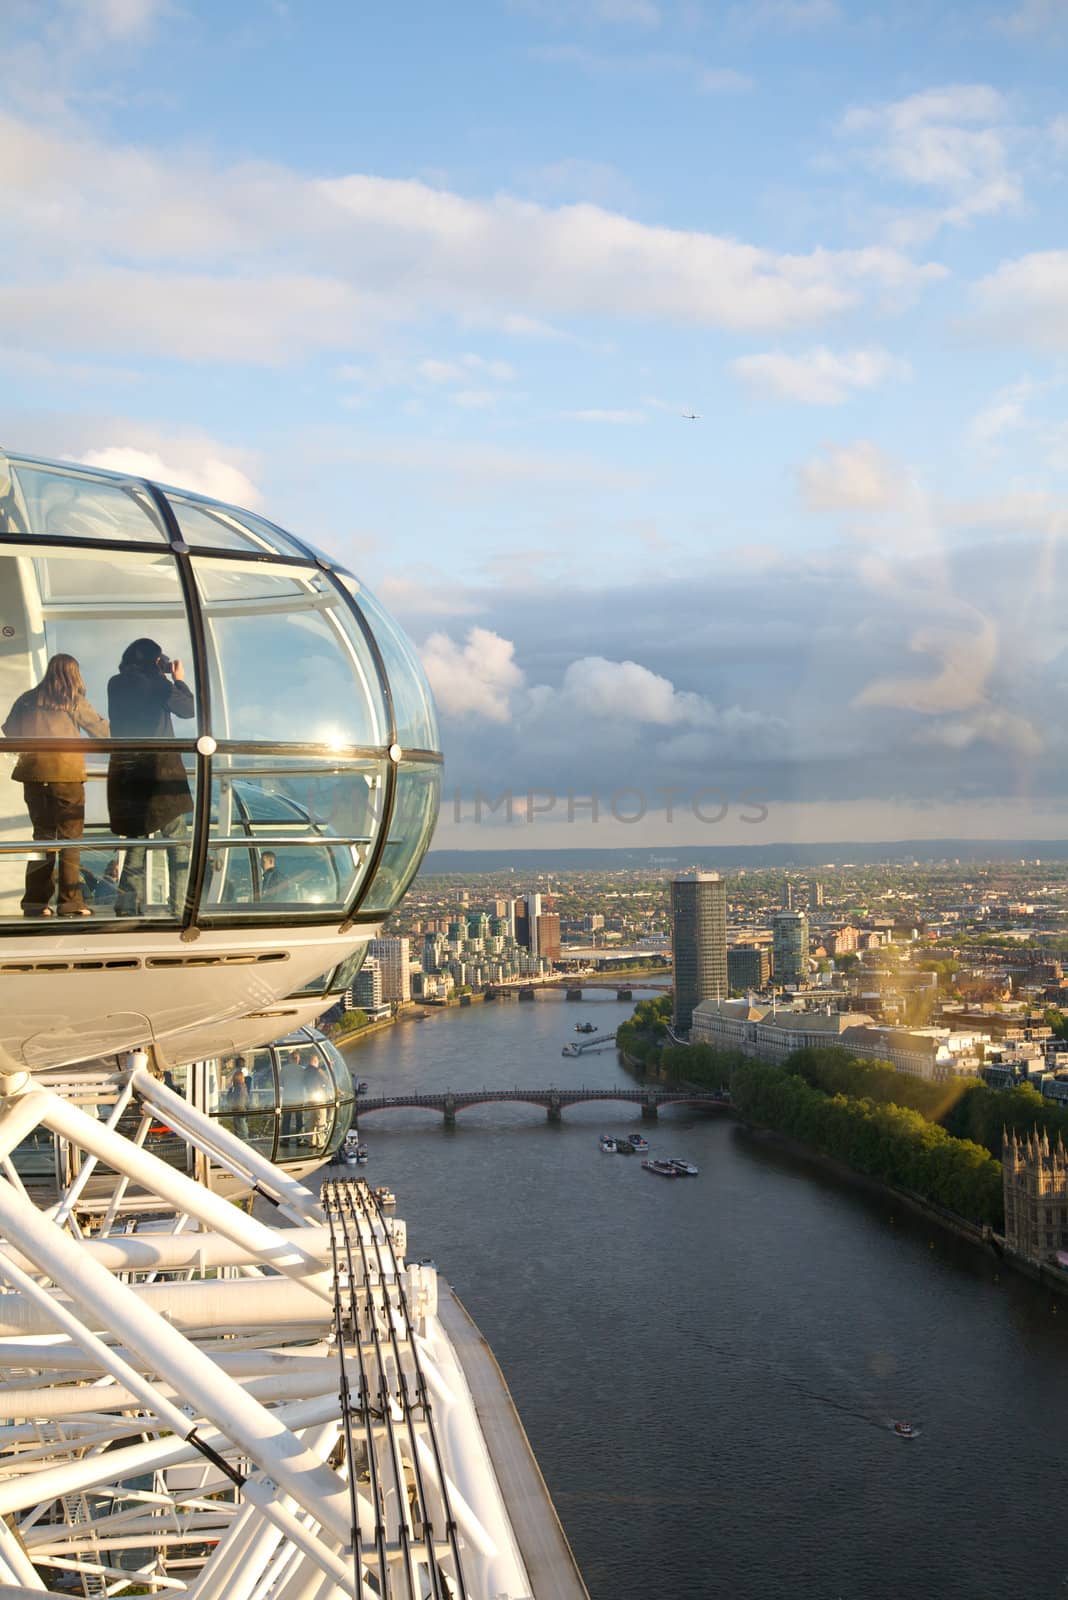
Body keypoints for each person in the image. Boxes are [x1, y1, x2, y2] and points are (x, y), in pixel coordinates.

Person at [3, 654, 109, 917]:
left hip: (34, 776)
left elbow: (9, 730)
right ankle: (70, 902)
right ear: (74, 674)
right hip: (67, 777)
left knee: (43, 838)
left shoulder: (28, 699)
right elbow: (102, 733)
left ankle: (36, 903)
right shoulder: (74, 701)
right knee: (70, 839)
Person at [106, 639, 194, 917]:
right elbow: (188, 709)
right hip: (161, 772)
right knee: (176, 840)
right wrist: (178, 679)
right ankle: (179, 907)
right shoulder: (159, 685)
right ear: (157, 661)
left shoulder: (115, 683)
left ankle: (127, 904)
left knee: (137, 837)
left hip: (127, 770)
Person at [223, 1059, 250, 1142]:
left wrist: (231, 1089)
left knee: (240, 1129)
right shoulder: (242, 1087)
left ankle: (243, 1144)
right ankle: (244, 1144)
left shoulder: (238, 1088)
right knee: (241, 1129)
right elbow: (244, 1100)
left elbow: (230, 1098)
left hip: (237, 1110)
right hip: (240, 1110)